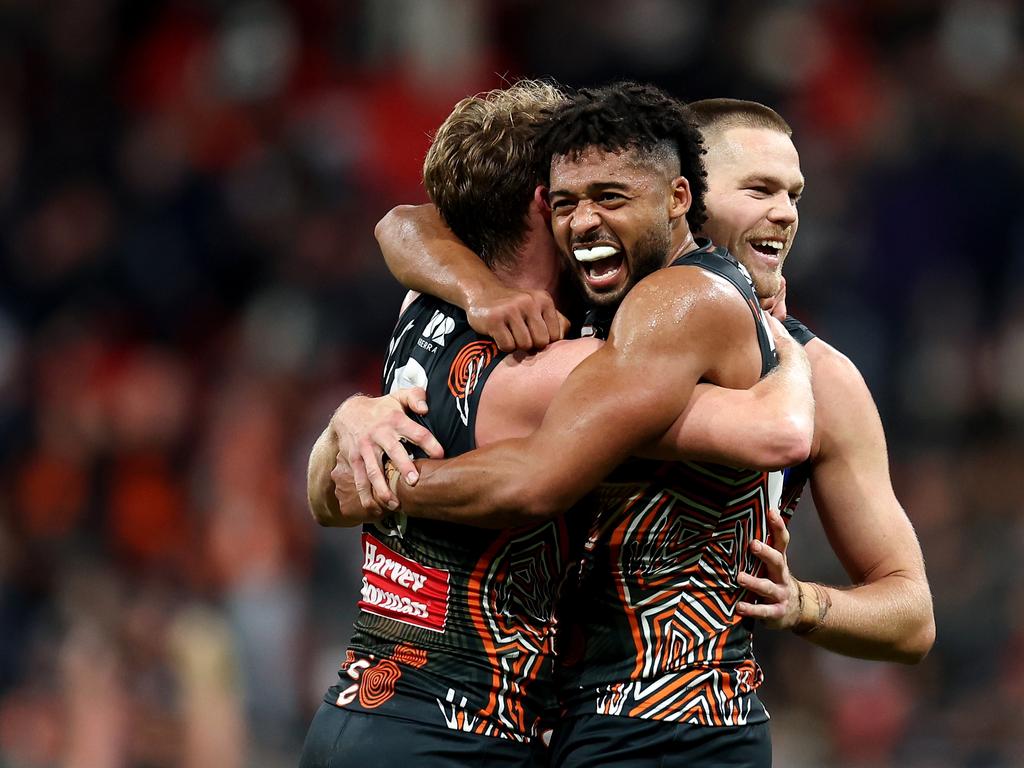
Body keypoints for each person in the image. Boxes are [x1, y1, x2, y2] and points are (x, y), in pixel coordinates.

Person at [322, 95, 936, 765]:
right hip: (556, 731)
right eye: (757, 188)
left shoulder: (818, 374)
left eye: (793, 193)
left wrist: (805, 604)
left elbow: (911, 615)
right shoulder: (582, 312)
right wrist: (477, 298)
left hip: (679, 735)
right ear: (688, 196)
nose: (785, 213)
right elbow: (409, 222)